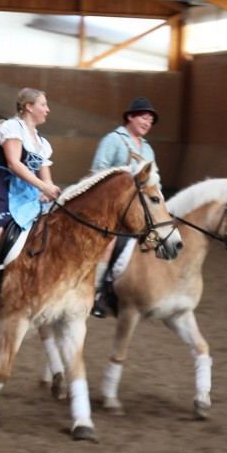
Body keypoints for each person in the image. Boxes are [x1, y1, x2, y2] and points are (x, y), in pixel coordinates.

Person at [0, 88, 60, 320]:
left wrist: (48, 190)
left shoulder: (42, 143)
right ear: (28, 107)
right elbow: (14, 164)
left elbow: (46, 176)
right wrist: (42, 186)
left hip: (31, 192)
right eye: (43, 104)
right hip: (3, 190)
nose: (47, 109)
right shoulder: (11, 128)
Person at [88, 96, 161, 318]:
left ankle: (133, 292)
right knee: (110, 243)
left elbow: (155, 181)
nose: (147, 123)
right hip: (111, 208)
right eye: (144, 118)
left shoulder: (147, 149)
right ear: (130, 117)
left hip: (139, 210)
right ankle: (96, 293)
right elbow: (97, 173)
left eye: (150, 120)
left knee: (159, 240)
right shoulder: (113, 140)